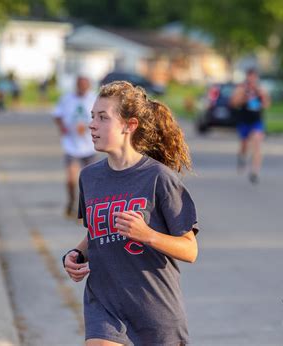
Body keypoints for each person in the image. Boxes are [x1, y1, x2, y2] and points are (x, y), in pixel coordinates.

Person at [62, 81, 199, 345]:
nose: (92, 125)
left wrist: (147, 235)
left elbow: (190, 250)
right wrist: (76, 253)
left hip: (154, 308)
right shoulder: (89, 177)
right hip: (104, 302)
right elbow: (98, 232)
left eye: (103, 118)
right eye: (92, 117)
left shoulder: (159, 178)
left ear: (129, 125)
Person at [53, 76, 97, 218]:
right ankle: (71, 201)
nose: (83, 88)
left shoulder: (94, 99)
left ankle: (86, 209)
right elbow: (57, 115)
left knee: (90, 181)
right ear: (77, 85)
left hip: (90, 146)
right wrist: (62, 128)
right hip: (71, 145)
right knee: (71, 179)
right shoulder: (67, 99)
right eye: (80, 85)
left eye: (86, 85)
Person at [230, 68, 270, 184]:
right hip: (244, 121)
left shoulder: (261, 90)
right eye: (250, 77)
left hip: (256, 122)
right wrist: (244, 98)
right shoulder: (241, 89)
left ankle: (254, 172)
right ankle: (242, 158)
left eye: (254, 77)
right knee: (244, 145)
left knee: (257, 144)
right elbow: (233, 103)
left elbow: (267, 104)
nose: (252, 80)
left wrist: (262, 97)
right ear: (247, 77)